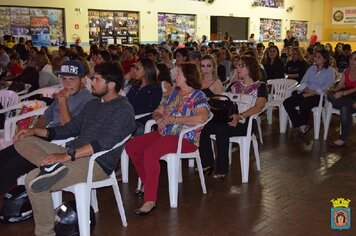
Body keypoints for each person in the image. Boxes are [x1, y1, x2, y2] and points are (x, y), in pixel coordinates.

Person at [14, 62, 135, 236]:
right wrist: (35, 131)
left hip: (96, 163)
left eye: (97, 79)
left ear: (111, 84)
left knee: (33, 180)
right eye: (93, 78)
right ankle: (50, 168)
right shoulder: (94, 105)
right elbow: (69, 129)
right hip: (72, 153)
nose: (92, 82)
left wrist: (67, 156)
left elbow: (104, 143)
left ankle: (45, 233)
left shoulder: (123, 109)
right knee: (22, 139)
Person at [125, 62, 209, 215]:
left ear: (188, 76)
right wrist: (158, 119)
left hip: (185, 138)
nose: (175, 76)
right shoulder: (174, 94)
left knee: (150, 152)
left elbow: (202, 117)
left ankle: (150, 200)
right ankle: (147, 181)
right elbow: (157, 111)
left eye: (179, 74)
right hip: (165, 134)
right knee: (132, 145)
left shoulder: (198, 96)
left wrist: (174, 120)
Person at [0, 60, 93, 195]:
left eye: (72, 79)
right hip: (44, 137)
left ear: (83, 80)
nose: (67, 84)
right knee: (3, 156)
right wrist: (32, 133)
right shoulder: (63, 94)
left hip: (59, 145)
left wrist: (62, 100)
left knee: (10, 168)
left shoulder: (88, 100)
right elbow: (45, 118)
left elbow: (69, 128)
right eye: (64, 79)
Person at [199, 55, 268, 179]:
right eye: (237, 66)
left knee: (221, 130)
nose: (238, 68)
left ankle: (222, 169)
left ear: (250, 68)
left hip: (245, 123)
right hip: (229, 119)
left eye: (242, 66)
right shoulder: (234, 85)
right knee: (203, 127)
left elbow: (259, 106)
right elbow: (224, 102)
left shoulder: (261, 86)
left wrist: (240, 116)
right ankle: (207, 164)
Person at [283, 49, 335, 136]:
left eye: (319, 57)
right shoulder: (311, 68)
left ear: (325, 59)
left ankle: (302, 126)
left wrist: (314, 92)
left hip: (318, 96)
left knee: (304, 105)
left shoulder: (329, 71)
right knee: (287, 102)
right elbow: (303, 81)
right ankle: (302, 126)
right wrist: (307, 90)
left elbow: (327, 86)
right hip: (306, 92)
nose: (316, 59)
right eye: (315, 56)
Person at [327, 51, 356, 147]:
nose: (351, 61)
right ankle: (350, 103)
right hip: (347, 99)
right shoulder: (347, 70)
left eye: (355, 59)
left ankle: (342, 139)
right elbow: (340, 85)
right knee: (329, 94)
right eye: (351, 58)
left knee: (344, 109)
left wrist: (343, 93)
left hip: (353, 95)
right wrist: (333, 89)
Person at [126, 58, 162, 135]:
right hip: (128, 117)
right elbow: (126, 101)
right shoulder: (135, 85)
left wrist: (129, 113)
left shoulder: (155, 88)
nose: (134, 71)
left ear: (146, 70)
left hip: (142, 121)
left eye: (137, 68)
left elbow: (150, 108)